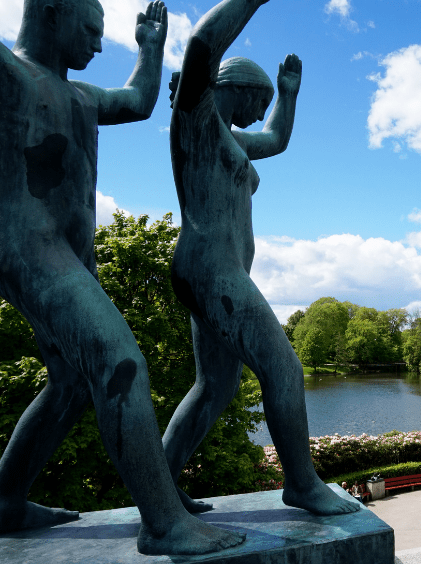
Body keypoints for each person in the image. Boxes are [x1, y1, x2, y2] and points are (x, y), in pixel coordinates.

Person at [0, 0, 245, 555]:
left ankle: (7, 498)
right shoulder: (10, 76)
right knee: (120, 364)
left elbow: (136, 101)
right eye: (90, 30)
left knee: (70, 384)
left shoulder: (81, 96)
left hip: (67, 255)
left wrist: (150, 48)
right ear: (52, 12)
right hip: (28, 249)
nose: (95, 44)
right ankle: (164, 523)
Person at [162, 0, 360, 516]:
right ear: (238, 89)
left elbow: (276, 139)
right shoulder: (196, 121)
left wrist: (289, 96)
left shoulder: (230, 138)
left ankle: (158, 487)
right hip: (212, 270)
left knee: (216, 387)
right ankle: (301, 484)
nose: (258, 112)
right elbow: (201, 46)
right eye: (260, 100)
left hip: (216, 273)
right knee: (285, 371)